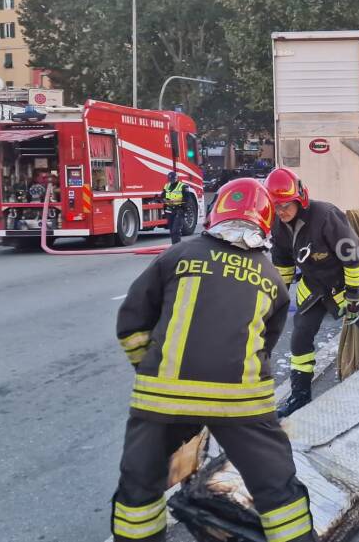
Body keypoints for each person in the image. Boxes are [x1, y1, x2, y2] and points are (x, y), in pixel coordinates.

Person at [113, 178, 316, 542]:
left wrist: (154, 371)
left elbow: (131, 324)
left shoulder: (175, 256)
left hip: (162, 399)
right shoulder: (271, 278)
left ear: (215, 211)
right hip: (239, 403)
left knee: (139, 489)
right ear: (265, 221)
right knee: (277, 488)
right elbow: (264, 347)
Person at [266, 168, 359, 418]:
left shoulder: (325, 216)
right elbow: (283, 266)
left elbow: (353, 259)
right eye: (276, 206)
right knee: (301, 336)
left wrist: (354, 298)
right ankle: (300, 396)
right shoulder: (279, 227)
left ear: (299, 199)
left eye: (285, 205)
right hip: (315, 288)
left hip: (350, 285)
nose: (281, 211)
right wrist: (276, 298)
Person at [159, 171, 189, 244]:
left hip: (179, 209)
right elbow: (163, 196)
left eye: (172, 179)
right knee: (172, 230)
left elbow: (187, 199)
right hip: (169, 210)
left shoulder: (183, 186)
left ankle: (177, 246)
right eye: (170, 180)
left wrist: (175, 200)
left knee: (176, 230)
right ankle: (174, 246)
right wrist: (165, 201)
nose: (171, 181)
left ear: (176, 178)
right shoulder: (167, 186)